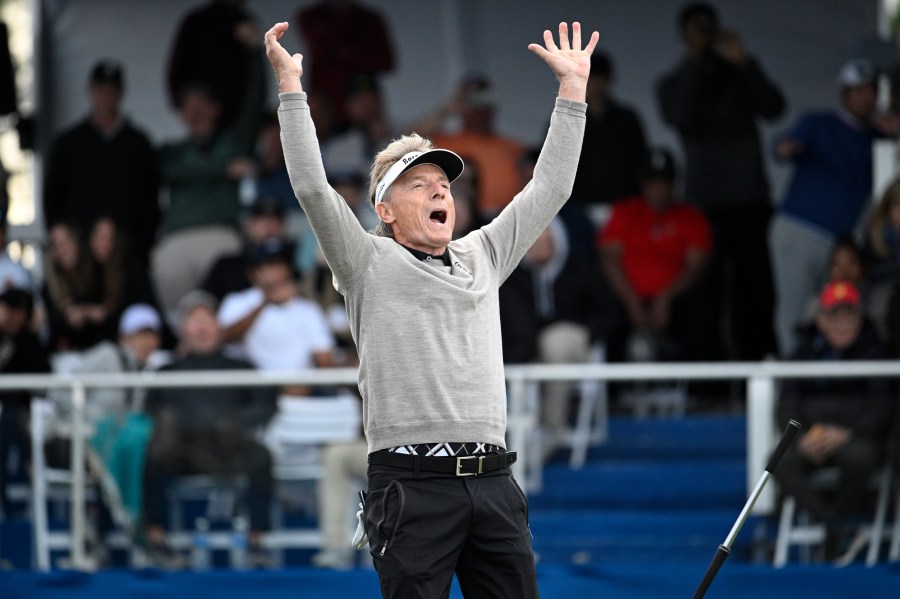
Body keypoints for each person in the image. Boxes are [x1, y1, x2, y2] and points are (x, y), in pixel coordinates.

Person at [265, 19, 598, 597]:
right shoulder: (365, 260)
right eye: (418, 183)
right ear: (385, 212)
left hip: (494, 480)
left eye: (442, 181)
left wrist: (572, 94)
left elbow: (551, 188)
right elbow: (316, 190)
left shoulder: (484, 252)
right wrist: (292, 91)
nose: (439, 189)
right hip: (410, 486)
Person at [657, 2, 785, 360]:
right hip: (704, 205)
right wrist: (697, 63)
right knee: (704, 294)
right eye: (695, 30)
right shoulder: (673, 82)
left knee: (755, 292)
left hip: (749, 200)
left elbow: (774, 107)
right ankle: (708, 380)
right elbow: (680, 115)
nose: (703, 35)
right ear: (683, 37)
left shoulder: (740, 73)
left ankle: (757, 369)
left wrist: (744, 63)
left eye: (707, 28)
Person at [142, 290, 277, 569]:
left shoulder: (240, 367)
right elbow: (149, 413)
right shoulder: (166, 372)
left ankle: (256, 544)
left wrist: (237, 422)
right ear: (182, 330)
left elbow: (266, 404)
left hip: (228, 449)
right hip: (183, 452)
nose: (201, 326)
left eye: (207, 318)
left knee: (261, 457)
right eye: (193, 319)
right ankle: (157, 542)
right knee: (152, 457)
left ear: (218, 326)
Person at [770, 59, 891, 357]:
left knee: (841, 311)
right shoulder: (819, 122)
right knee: (796, 314)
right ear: (843, 94)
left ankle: (836, 383)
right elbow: (782, 145)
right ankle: (791, 382)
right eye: (857, 90)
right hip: (799, 232)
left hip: (841, 247)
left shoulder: (876, 136)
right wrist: (785, 146)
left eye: (870, 91)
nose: (865, 97)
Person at [773, 280, 895, 561]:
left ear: (860, 318)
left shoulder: (877, 353)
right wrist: (802, 438)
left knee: (861, 455)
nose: (842, 323)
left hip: (856, 439)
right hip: (812, 439)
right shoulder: (802, 355)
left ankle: (834, 525)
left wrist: (847, 432)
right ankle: (834, 525)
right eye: (834, 315)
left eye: (848, 314)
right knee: (779, 459)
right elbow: (787, 406)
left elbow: (883, 408)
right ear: (820, 320)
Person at [153, 32, 267, 322]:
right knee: (176, 317)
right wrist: (223, 168)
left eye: (202, 103)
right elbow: (171, 171)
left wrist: (257, 53)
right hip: (176, 240)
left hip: (221, 237)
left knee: (226, 315)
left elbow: (255, 103)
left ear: (216, 109)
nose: (196, 111)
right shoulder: (172, 151)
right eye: (189, 106)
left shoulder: (233, 142)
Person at [500, 218, 615, 454]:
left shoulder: (579, 269)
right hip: (528, 347)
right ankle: (512, 435)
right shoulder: (513, 277)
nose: (540, 246)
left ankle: (552, 428)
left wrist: (590, 334)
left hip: (573, 343)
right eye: (534, 242)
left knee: (556, 341)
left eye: (546, 240)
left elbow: (610, 312)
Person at [598, 147, 716, 363]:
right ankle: (612, 393)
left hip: (677, 298)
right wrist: (632, 303)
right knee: (607, 316)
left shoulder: (691, 216)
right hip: (628, 296)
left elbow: (697, 266)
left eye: (664, 181)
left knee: (701, 315)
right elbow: (609, 260)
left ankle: (701, 393)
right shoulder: (625, 212)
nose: (658, 188)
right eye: (653, 181)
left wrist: (666, 298)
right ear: (643, 183)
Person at [43, 60, 159, 268]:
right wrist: (60, 232)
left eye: (111, 90)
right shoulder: (68, 143)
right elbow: (52, 197)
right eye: (100, 89)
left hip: (127, 252)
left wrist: (140, 243)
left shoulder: (138, 144)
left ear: (121, 93)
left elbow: (150, 200)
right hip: (78, 254)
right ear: (89, 91)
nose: (105, 96)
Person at [65, 304, 165, 534]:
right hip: (89, 437)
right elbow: (66, 392)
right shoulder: (107, 354)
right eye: (140, 335)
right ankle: (120, 525)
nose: (146, 342)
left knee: (141, 441)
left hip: (124, 442)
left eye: (152, 336)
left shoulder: (147, 371)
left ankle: (123, 526)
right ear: (124, 336)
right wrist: (84, 424)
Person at [218, 238, 336, 393]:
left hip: (304, 389)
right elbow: (224, 338)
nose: (276, 273)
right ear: (253, 273)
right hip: (254, 391)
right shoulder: (236, 302)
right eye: (268, 266)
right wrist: (265, 303)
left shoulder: (308, 309)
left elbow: (324, 359)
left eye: (279, 265)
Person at [410, 72, 527, 220]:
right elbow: (406, 140)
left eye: (484, 99)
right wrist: (448, 108)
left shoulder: (514, 147)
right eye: (472, 100)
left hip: (506, 220)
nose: (479, 107)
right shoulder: (446, 142)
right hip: (459, 220)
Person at [295, 0, 395, 127]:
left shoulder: (370, 19)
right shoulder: (312, 17)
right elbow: (322, 48)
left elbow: (386, 61)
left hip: (361, 98)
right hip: (328, 103)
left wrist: (346, 52)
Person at [569, 52, 647, 212]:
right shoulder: (568, 118)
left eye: (601, 77)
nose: (597, 83)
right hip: (577, 208)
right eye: (592, 77)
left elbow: (641, 163)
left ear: (609, 79)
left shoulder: (627, 119)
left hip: (622, 208)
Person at [166, 0, 263, 129]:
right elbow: (177, 71)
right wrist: (191, 99)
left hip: (237, 119)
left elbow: (254, 85)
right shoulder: (197, 21)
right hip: (231, 118)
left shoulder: (244, 23)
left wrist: (255, 51)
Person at [0, 288, 51, 517]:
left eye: (20, 312)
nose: (14, 317)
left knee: (10, 419)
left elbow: (42, 383)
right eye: (11, 310)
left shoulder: (30, 342)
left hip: (23, 415)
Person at [41, 221, 117, 351]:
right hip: (64, 356)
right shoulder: (49, 286)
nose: (62, 249)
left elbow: (109, 314)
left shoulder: (97, 273)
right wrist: (66, 315)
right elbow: (50, 333)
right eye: (56, 245)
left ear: (77, 242)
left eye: (65, 241)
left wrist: (87, 312)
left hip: (100, 350)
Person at [201, 197, 294, 302]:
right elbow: (203, 299)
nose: (269, 228)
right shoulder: (227, 265)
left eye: (275, 221)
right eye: (262, 222)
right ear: (249, 225)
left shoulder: (295, 260)